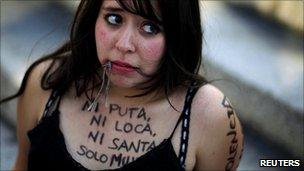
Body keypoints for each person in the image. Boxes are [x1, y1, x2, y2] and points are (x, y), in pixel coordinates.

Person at [1, 0, 244, 170]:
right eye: (114, 18)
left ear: (178, 34)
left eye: (150, 27)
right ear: (94, 16)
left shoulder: (210, 116)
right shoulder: (48, 82)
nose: (124, 45)